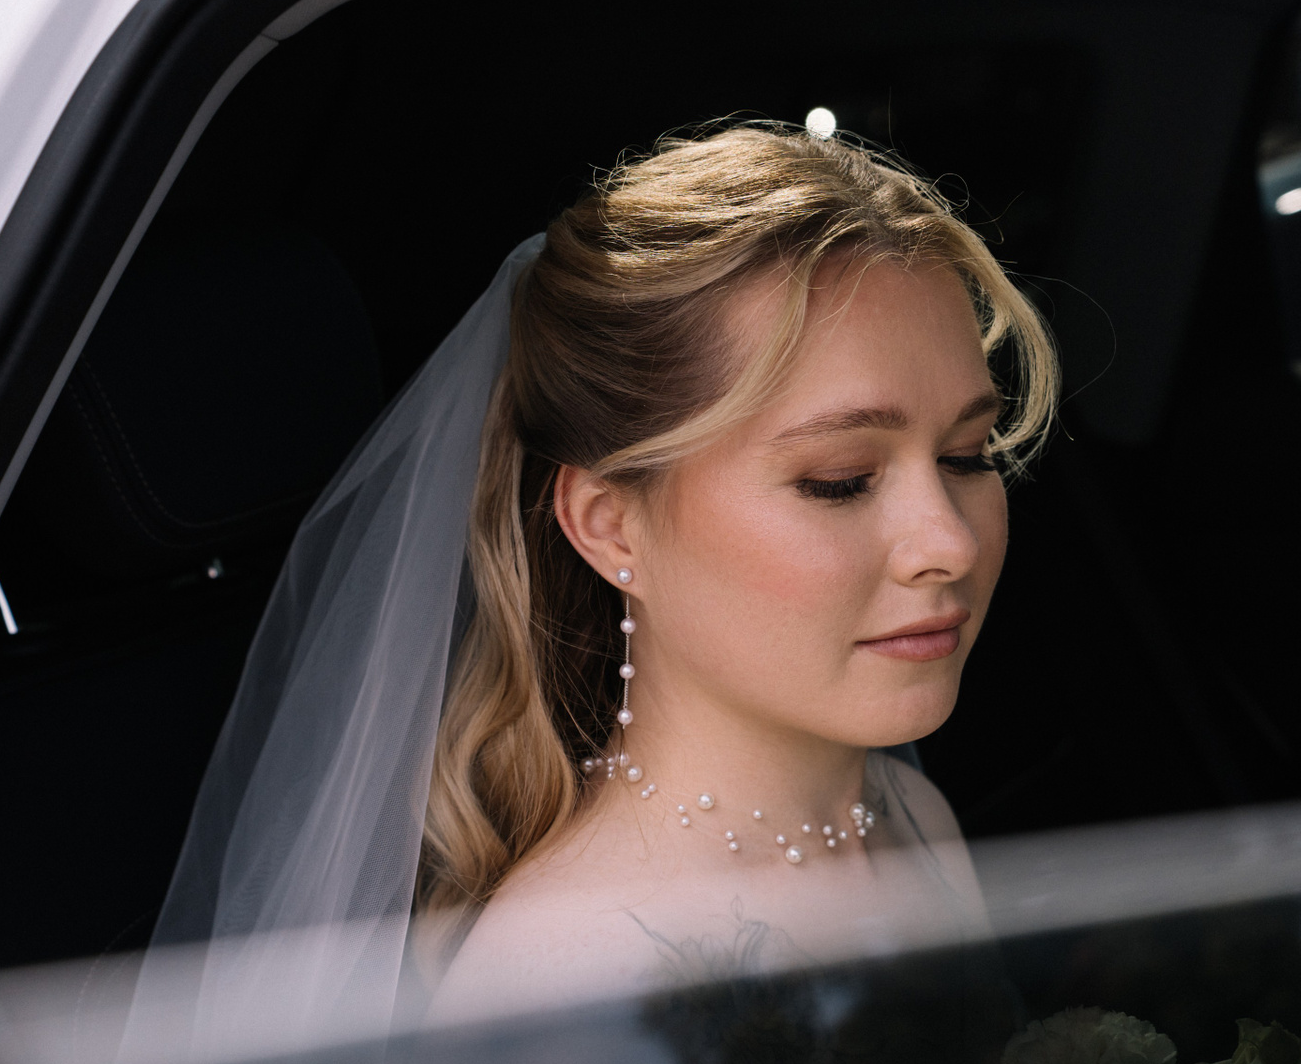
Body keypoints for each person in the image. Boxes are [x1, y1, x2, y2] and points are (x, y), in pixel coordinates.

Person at [423, 126, 1058, 1017]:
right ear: (611, 527)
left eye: (965, 456)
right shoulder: (565, 974)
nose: (948, 543)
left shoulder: (910, 815)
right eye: (839, 480)